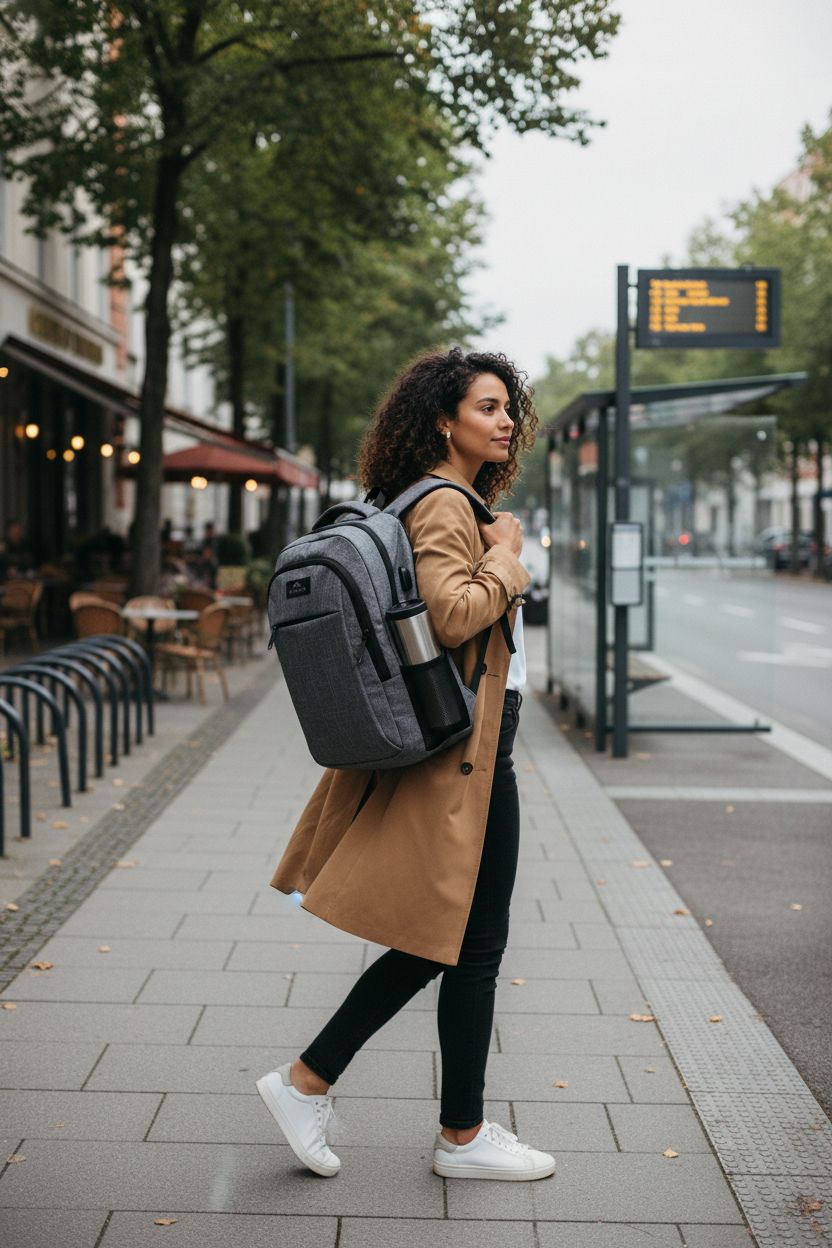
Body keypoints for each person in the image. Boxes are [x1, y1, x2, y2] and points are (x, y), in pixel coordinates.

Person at [256, 347, 554, 1183]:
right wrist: (509, 555)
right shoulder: (450, 510)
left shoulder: (422, 498)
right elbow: (454, 616)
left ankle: (345, 1093)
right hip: (464, 755)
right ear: (441, 419)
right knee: (467, 939)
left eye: (507, 410)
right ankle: (418, 1121)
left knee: (454, 939)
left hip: (464, 746)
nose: (504, 422)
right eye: (488, 408)